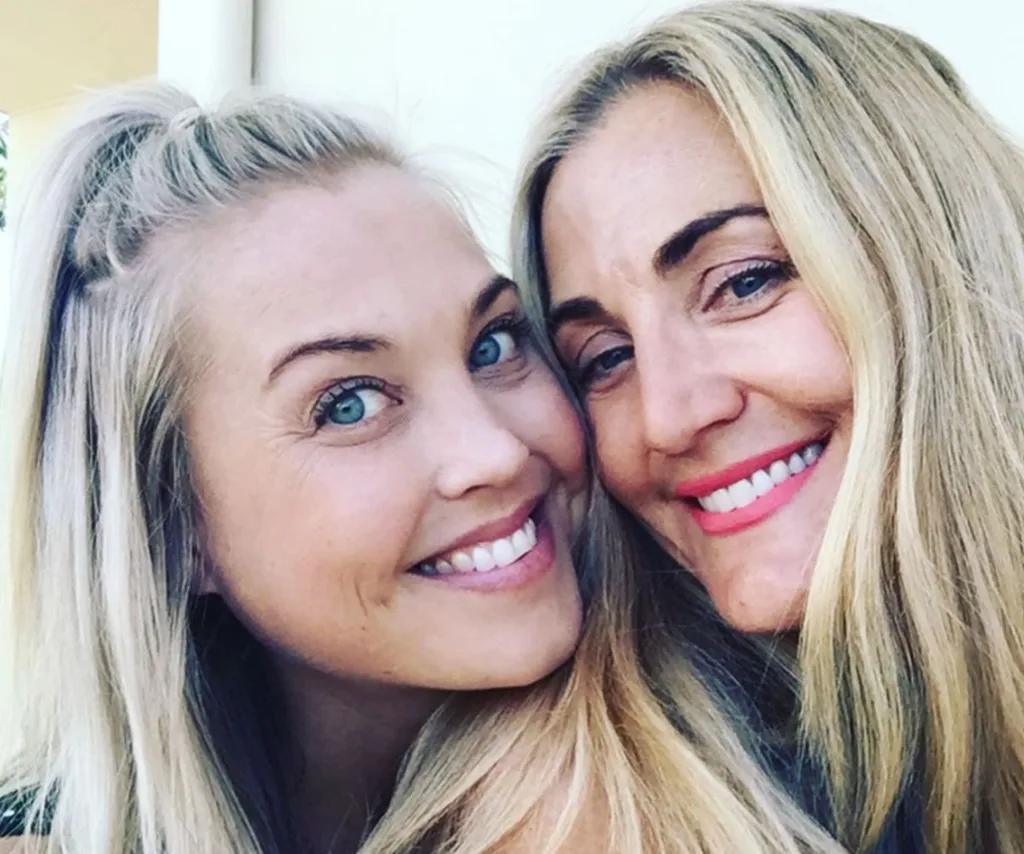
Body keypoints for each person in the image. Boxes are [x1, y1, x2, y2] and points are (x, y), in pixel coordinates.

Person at [0, 83, 844, 854]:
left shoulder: (773, 763)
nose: (497, 452)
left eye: (494, 345)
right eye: (349, 404)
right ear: (169, 524)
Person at [514, 3, 1024, 853]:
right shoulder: (595, 813)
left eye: (744, 283)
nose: (669, 416)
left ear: (931, 259)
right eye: (605, 358)